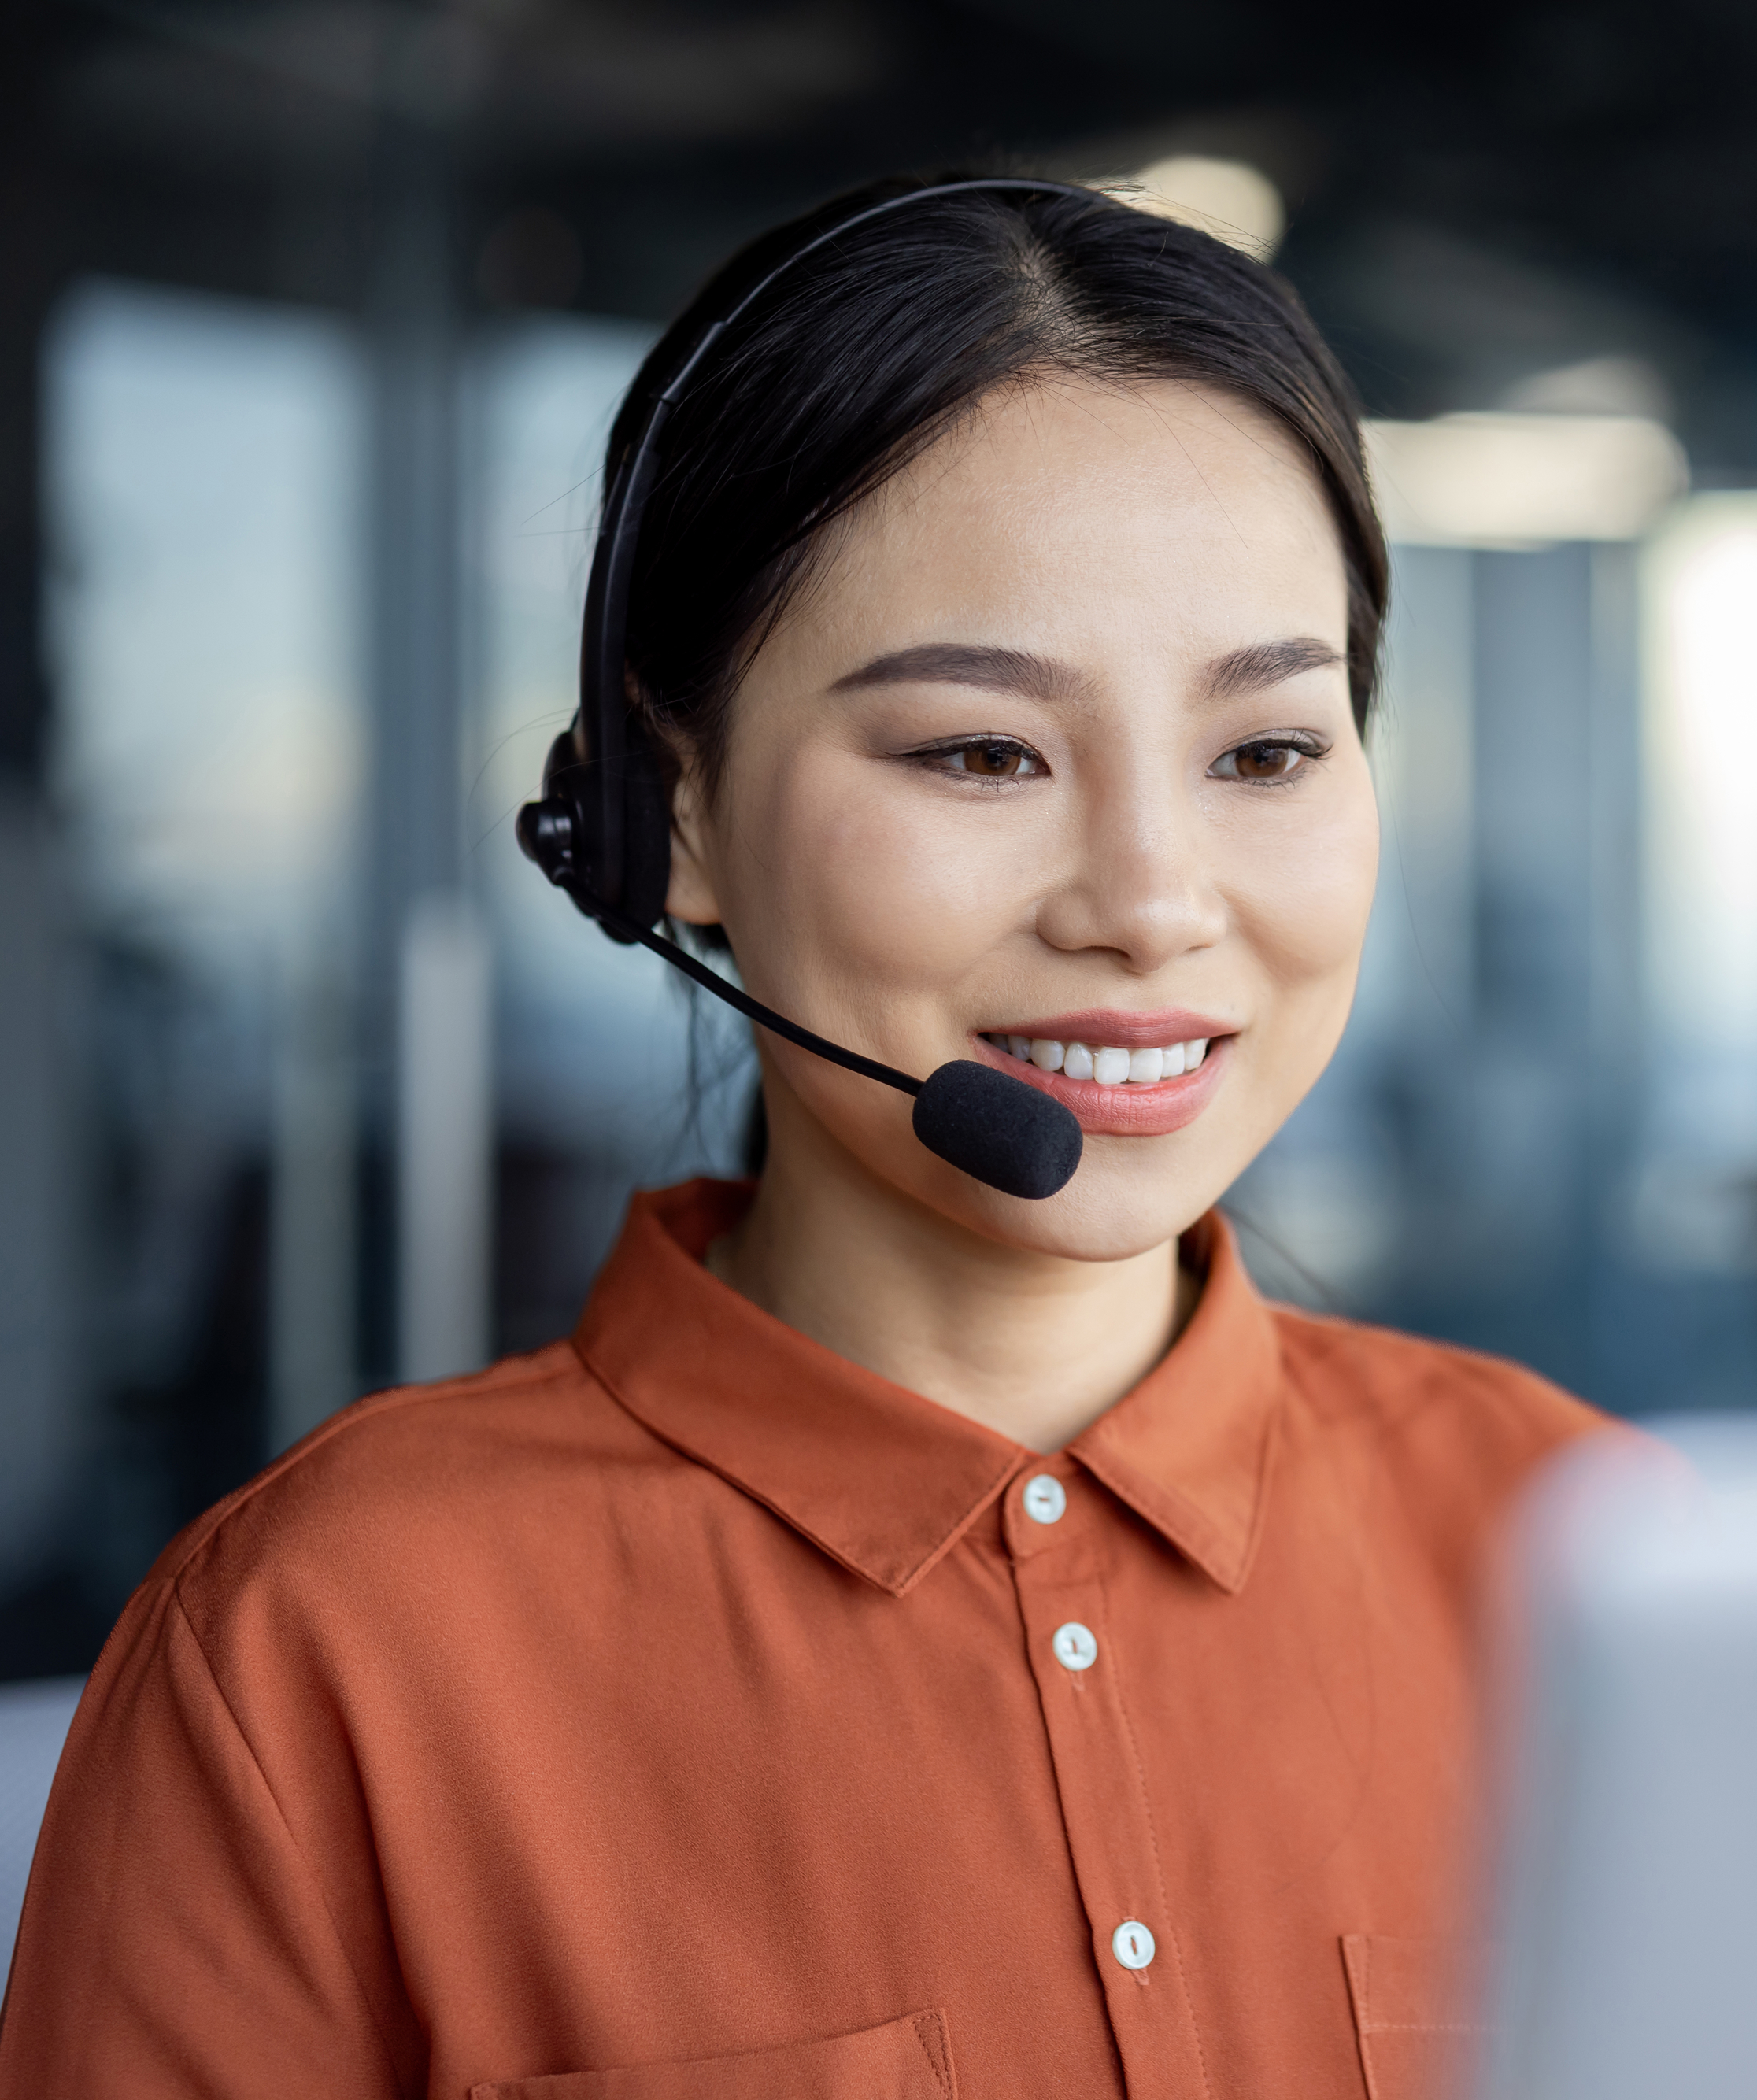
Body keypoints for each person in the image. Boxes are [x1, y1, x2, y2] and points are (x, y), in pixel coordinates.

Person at [0, 175, 1610, 2100]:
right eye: (977, 751)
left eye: (1263, 749)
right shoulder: (315, 1655)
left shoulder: (1587, 1554)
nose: (1150, 899)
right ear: (661, 819)